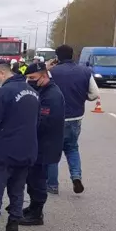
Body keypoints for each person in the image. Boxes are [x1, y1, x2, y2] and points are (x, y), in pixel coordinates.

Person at [0, 59, 39, 231]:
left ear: (2, 73)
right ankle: (13, 230)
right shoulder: (33, 92)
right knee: (17, 191)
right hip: (27, 149)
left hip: (3, 150)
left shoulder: (3, 92)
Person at [46, 44, 100, 194]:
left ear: (57, 57)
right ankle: (76, 176)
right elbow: (94, 94)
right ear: (72, 55)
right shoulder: (85, 71)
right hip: (76, 117)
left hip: (55, 117)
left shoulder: (52, 72)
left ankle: (52, 185)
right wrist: (82, 97)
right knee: (72, 148)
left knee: (52, 151)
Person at [19, 62, 65, 226]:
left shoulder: (51, 95)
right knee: (32, 178)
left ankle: (37, 214)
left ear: (44, 76)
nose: (30, 81)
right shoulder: (41, 90)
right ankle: (33, 207)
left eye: (33, 78)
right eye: (28, 78)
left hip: (45, 145)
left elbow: (43, 122)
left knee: (38, 179)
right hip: (38, 144)